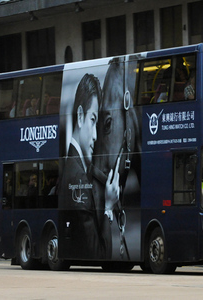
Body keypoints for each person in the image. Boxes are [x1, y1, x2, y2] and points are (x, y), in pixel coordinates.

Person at [59, 73, 120, 259]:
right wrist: (108, 207)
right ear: (79, 116)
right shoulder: (77, 177)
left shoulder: (75, 167)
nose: (95, 135)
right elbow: (98, 254)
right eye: (92, 121)